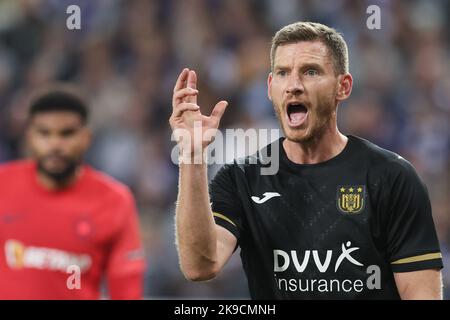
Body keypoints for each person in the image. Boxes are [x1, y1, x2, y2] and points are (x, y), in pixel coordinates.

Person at [170, 22, 443, 299]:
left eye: (310, 72)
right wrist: (192, 154)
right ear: (270, 87)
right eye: (283, 73)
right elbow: (200, 266)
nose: (294, 86)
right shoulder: (242, 178)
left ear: (343, 87)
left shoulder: (392, 178)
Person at [0, 85, 146, 299]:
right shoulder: (3, 184)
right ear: (30, 137)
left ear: (86, 137)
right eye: (44, 133)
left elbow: (127, 289)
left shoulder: (114, 200)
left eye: (66, 133)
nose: (55, 144)